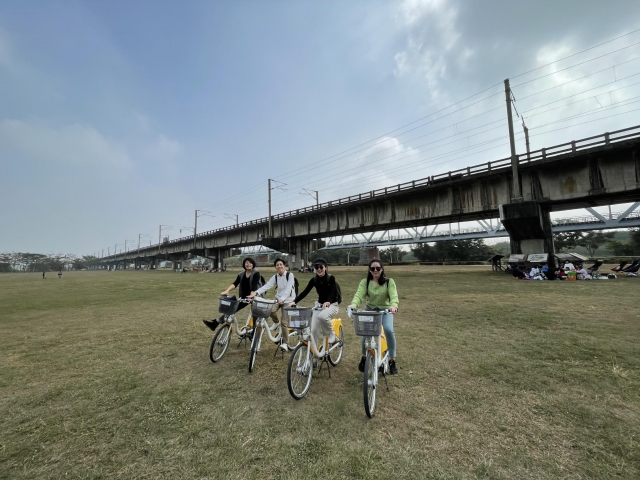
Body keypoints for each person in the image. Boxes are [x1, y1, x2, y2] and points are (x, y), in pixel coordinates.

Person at [347, 259, 399, 375]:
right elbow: (359, 295)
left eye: (378, 268)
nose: (375, 270)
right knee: (365, 333)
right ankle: (364, 356)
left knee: (389, 330)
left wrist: (394, 306)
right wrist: (353, 305)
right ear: (369, 270)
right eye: (372, 268)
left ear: (382, 269)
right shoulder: (365, 282)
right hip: (370, 310)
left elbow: (393, 296)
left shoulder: (389, 282)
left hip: (385, 310)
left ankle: (392, 359)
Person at [288, 258, 339, 347]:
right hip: (319, 305)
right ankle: (314, 357)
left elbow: (332, 292)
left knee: (323, 316)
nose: (319, 269)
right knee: (314, 331)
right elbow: (305, 292)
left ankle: (332, 333)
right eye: (316, 267)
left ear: (325, 268)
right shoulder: (314, 280)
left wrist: (328, 302)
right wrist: (294, 301)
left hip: (332, 305)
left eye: (321, 267)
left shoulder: (331, 278)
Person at [248, 258, 296, 351]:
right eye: (277, 265)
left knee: (284, 323)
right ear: (275, 267)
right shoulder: (276, 276)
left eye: (281, 264)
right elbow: (267, 286)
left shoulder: (290, 275)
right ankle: (276, 322)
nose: (279, 266)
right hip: (278, 299)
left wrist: (283, 299)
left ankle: (285, 343)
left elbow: (289, 288)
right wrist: (256, 293)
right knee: (270, 310)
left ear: (284, 266)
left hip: (288, 300)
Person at [203, 257, 262, 332]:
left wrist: (251, 297)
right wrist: (226, 291)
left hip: (255, 296)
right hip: (244, 297)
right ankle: (216, 323)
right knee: (232, 308)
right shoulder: (241, 274)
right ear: (244, 264)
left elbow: (254, 286)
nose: (248, 264)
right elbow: (235, 283)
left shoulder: (256, 273)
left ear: (253, 264)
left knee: (255, 314)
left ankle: (254, 333)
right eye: (246, 263)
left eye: (250, 263)